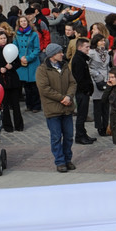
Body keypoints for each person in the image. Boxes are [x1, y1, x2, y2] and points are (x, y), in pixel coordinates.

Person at [35, 43, 78, 172]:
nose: (62, 54)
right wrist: (61, 98)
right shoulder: (42, 70)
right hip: (53, 109)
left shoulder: (65, 66)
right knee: (56, 137)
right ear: (53, 55)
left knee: (69, 135)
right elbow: (44, 89)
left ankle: (68, 159)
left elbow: (72, 82)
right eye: (60, 52)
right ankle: (60, 161)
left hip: (67, 108)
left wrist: (69, 96)